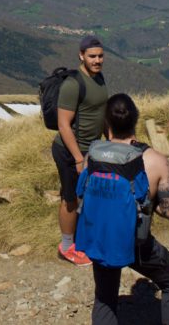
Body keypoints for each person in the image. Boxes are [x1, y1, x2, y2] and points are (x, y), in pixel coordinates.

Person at [76, 93, 169, 325]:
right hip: (136, 242)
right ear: (135, 120)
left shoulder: (93, 156)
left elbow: (82, 194)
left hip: (102, 239)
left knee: (105, 296)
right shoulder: (155, 160)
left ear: (106, 124)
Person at [52, 35, 109, 265]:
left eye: (100, 56)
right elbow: (63, 124)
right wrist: (77, 158)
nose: (97, 60)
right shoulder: (73, 84)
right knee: (70, 198)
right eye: (92, 56)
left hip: (91, 150)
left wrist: (112, 139)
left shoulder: (99, 78)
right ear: (81, 56)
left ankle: (81, 239)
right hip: (70, 152)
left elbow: (100, 112)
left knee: (87, 195)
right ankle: (66, 247)